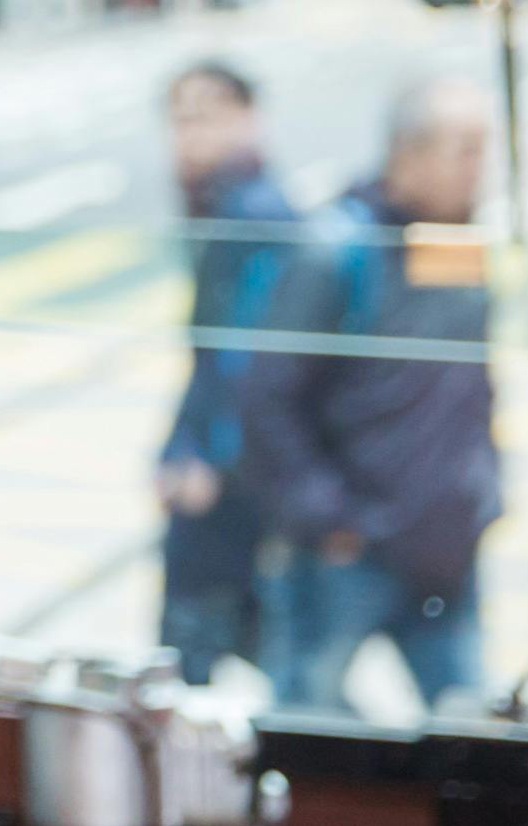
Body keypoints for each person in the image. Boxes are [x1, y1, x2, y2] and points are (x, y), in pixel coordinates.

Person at [241, 75, 503, 716]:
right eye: (463, 150)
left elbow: (467, 384)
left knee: (472, 736)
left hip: (443, 547)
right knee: (311, 732)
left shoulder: (453, 242)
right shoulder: (337, 249)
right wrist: (330, 519)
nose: (480, 170)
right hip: (348, 553)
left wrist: (482, 497)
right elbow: (265, 397)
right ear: (406, 154)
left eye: (482, 150)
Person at [155, 62, 294, 681]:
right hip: (240, 460)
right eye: (179, 120)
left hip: (232, 469)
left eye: (205, 117)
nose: (188, 135)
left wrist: (199, 453)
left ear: (248, 119)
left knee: (193, 644)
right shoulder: (221, 202)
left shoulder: (252, 212)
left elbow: (240, 357)